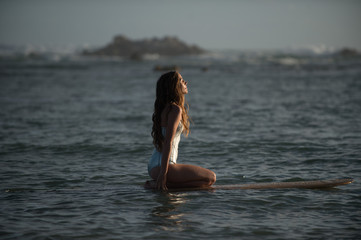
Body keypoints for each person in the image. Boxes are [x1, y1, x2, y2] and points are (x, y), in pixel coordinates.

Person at [146, 71, 216, 191]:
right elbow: (168, 141)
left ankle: (159, 183)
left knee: (206, 181)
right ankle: (157, 184)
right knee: (210, 178)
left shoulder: (165, 108)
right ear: (174, 86)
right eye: (181, 80)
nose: (185, 82)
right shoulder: (175, 110)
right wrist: (163, 173)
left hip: (154, 165)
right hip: (164, 166)